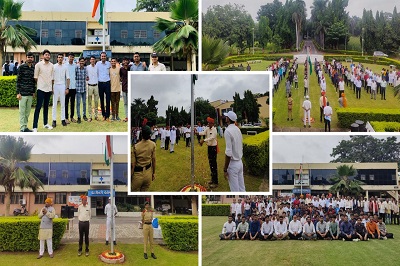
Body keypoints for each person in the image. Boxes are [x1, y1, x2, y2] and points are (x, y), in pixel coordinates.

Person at [223, 111, 245, 192]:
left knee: (235, 190)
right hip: (240, 162)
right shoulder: (237, 129)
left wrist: (225, 169)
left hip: (233, 164)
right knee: (242, 188)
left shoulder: (228, 131)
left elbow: (228, 152)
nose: (225, 118)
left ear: (228, 119)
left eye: (226, 117)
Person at [33, 49, 54, 132]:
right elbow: (35, 77)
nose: (47, 56)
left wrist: (51, 87)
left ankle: (45, 124)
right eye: (46, 55)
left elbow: (52, 78)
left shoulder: (52, 65)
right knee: (38, 107)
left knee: (46, 107)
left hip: (48, 89)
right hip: (41, 89)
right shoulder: (38, 65)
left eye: (49, 55)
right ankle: (35, 126)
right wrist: (40, 84)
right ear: (43, 55)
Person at [132, 125, 156, 191]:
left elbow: (133, 164)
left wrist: (131, 176)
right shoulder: (153, 144)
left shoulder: (136, 147)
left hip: (138, 174)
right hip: (148, 173)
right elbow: (153, 160)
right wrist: (153, 173)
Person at [16, 51, 35, 132]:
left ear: (33, 58)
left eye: (31, 57)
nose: (30, 58)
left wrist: (33, 91)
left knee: (27, 112)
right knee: (22, 111)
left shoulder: (34, 68)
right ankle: (22, 128)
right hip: (22, 93)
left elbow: (33, 81)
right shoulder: (21, 67)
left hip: (30, 93)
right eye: (28, 57)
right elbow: (18, 80)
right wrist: (18, 93)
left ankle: (25, 127)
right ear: (26, 58)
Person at [198, 117, 218, 188]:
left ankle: (216, 182)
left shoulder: (214, 130)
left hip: (213, 148)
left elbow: (212, 137)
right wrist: (197, 132)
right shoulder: (207, 128)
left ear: (212, 123)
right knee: (210, 164)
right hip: (209, 148)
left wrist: (204, 140)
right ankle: (212, 179)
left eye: (209, 122)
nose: (208, 124)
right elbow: (203, 133)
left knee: (214, 165)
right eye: (208, 122)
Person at [52, 53, 70, 128]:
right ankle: (54, 120)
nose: (60, 58)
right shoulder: (54, 67)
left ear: (63, 59)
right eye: (59, 57)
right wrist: (51, 88)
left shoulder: (65, 67)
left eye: (61, 57)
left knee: (63, 104)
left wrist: (67, 88)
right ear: (57, 58)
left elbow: (68, 78)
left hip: (62, 86)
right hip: (55, 85)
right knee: (54, 104)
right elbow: (52, 78)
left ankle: (63, 120)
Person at [96, 52, 111, 121]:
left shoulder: (109, 63)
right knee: (102, 100)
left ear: (106, 57)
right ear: (100, 57)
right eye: (102, 56)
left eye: (104, 56)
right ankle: (103, 115)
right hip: (100, 84)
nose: (103, 57)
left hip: (107, 83)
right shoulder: (98, 64)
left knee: (108, 100)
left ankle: (107, 116)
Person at [75, 57, 88, 123]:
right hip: (78, 89)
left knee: (84, 103)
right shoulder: (76, 68)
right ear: (79, 62)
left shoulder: (85, 69)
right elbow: (74, 77)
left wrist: (87, 78)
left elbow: (87, 77)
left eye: (83, 61)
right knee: (78, 103)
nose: (82, 63)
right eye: (81, 61)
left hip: (84, 89)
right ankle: (79, 117)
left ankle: (84, 115)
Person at [65, 53, 77, 124]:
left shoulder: (75, 66)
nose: (71, 58)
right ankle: (66, 118)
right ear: (68, 57)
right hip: (67, 87)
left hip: (73, 87)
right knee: (66, 103)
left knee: (72, 103)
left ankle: (72, 117)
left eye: (72, 57)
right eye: (70, 57)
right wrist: (66, 87)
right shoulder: (65, 65)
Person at [87, 56, 99, 122]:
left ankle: (96, 116)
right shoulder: (87, 67)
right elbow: (86, 75)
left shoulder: (97, 67)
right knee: (89, 102)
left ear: (95, 60)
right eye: (91, 59)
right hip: (90, 86)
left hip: (96, 85)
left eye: (94, 59)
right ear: (90, 60)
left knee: (96, 101)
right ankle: (90, 116)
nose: (93, 61)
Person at [120, 57, 129, 122]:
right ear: (122, 62)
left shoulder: (131, 68)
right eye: (124, 60)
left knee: (129, 103)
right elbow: (120, 77)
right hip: (124, 88)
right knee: (125, 103)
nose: (125, 62)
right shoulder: (121, 69)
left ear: (128, 61)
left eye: (126, 60)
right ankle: (126, 117)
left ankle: (129, 116)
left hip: (130, 88)